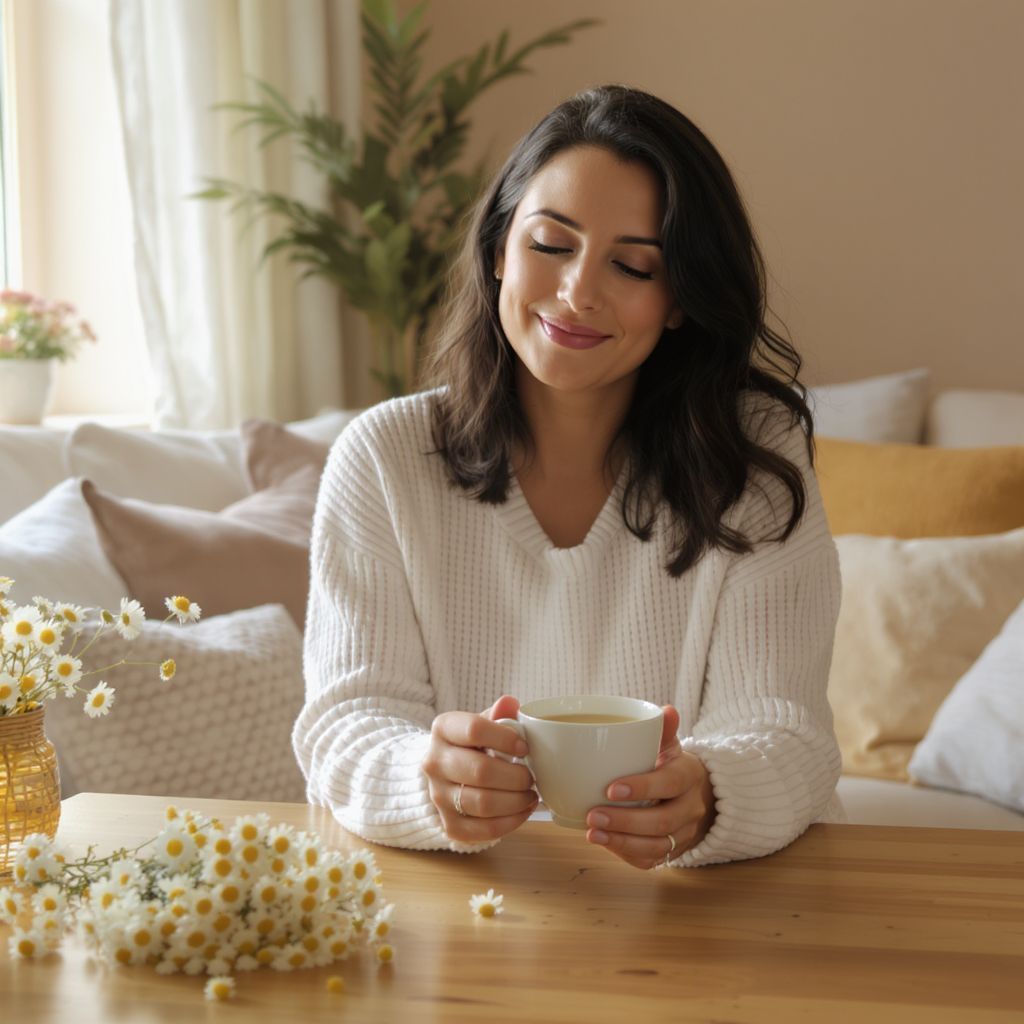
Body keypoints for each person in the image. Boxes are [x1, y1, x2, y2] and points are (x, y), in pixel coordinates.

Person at [293, 85, 843, 870]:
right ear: (497, 250)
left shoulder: (753, 457)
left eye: (632, 265)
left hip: (716, 906)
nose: (579, 292)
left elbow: (788, 730)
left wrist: (712, 793)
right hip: (483, 907)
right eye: (551, 245)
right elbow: (347, 724)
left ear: (680, 299)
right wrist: (426, 777)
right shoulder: (383, 457)